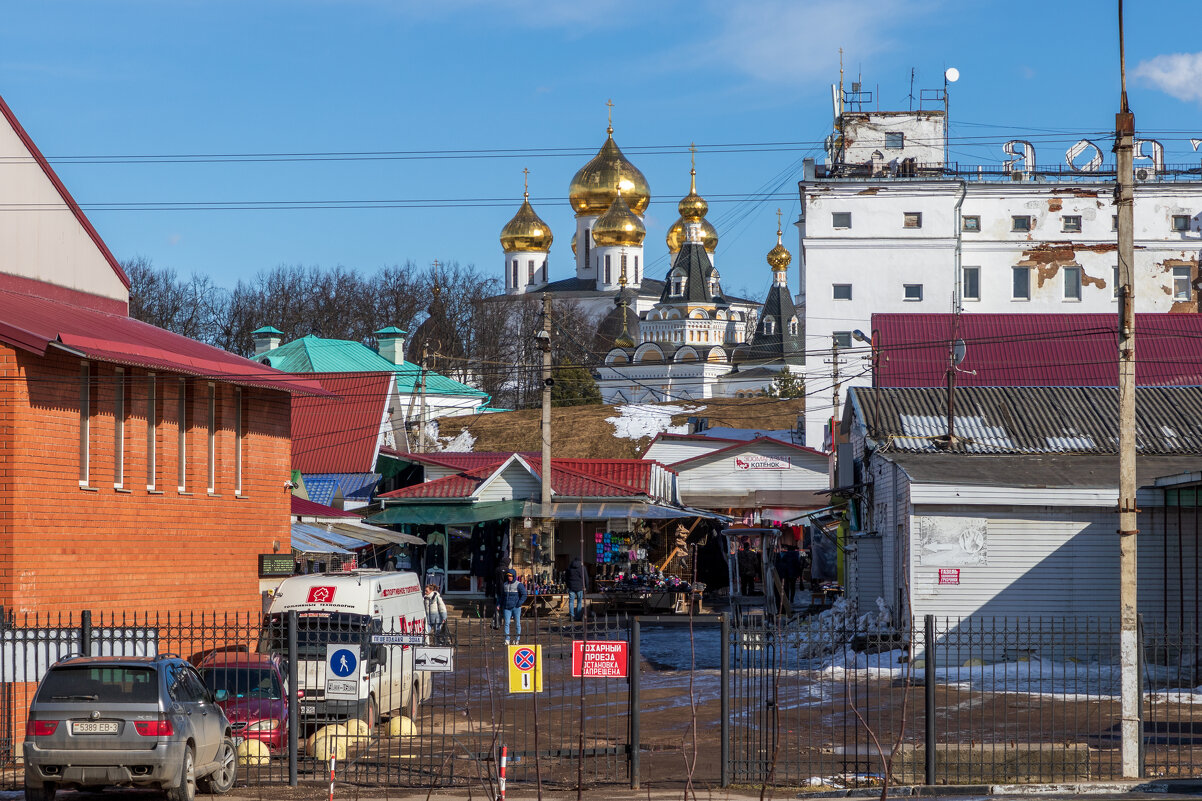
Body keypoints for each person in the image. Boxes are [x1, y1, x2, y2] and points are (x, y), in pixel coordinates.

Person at [496, 569, 528, 645]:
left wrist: (519, 604)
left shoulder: (518, 584)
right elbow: (502, 596)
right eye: (508, 576)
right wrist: (499, 604)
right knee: (506, 623)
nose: (509, 577)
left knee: (517, 624)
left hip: (516, 608)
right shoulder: (505, 584)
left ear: (513, 576)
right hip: (507, 607)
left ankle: (517, 639)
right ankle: (507, 639)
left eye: (510, 576)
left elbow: (524, 595)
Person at [565, 557, 587, 622]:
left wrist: (568, 586)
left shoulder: (569, 568)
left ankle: (571, 616)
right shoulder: (582, 568)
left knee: (571, 601)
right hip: (580, 587)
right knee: (579, 602)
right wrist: (586, 587)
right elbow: (586, 578)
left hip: (571, 587)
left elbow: (566, 578)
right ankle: (578, 616)